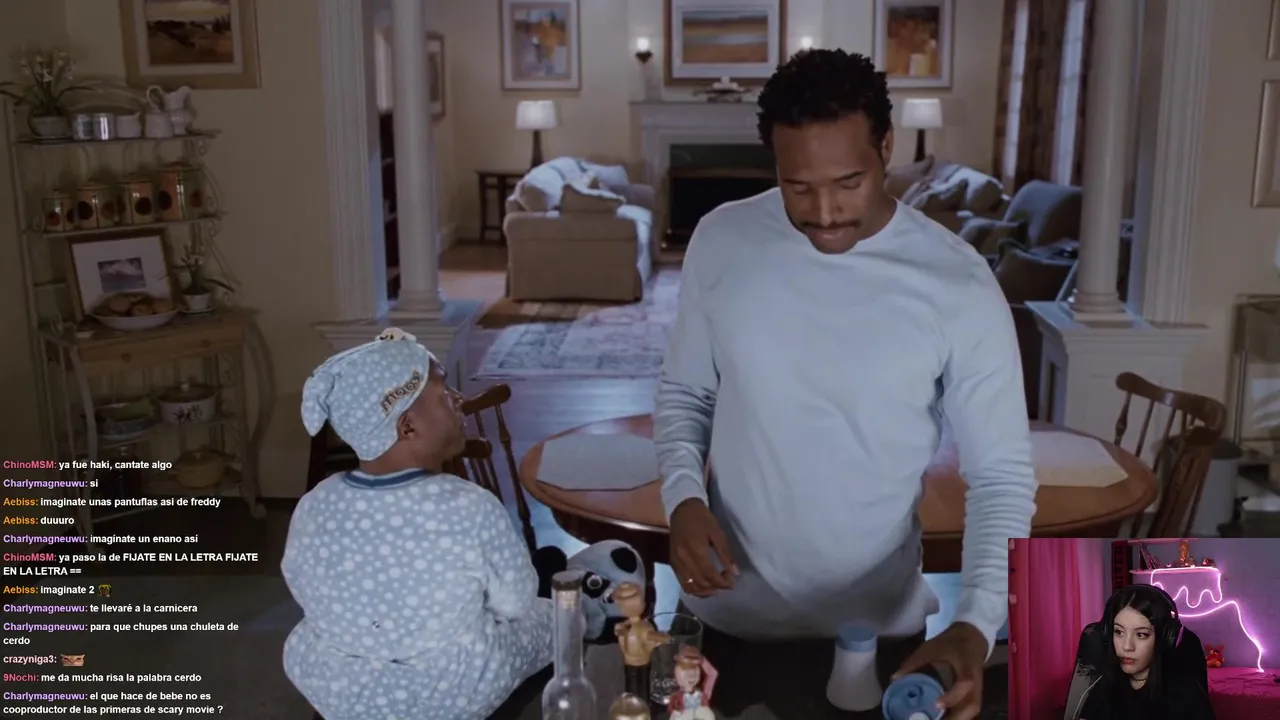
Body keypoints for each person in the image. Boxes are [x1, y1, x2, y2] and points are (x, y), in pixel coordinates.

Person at [655, 49, 1037, 719]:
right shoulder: (721, 239)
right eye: (798, 186)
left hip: (884, 643)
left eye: (848, 182)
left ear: (886, 147)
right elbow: (687, 394)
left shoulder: (958, 281)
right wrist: (682, 498)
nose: (825, 212)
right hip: (727, 627)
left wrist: (976, 624)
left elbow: (1001, 476)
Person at [281, 329, 552, 719]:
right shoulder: (470, 506)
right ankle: (591, 610)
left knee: (316, 632)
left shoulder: (314, 503)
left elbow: (303, 586)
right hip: (451, 690)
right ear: (407, 426)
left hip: (342, 690)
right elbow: (517, 602)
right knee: (550, 617)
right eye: (444, 392)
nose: (459, 399)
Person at [1075, 585, 1215, 720]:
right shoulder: (1103, 687)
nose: (1127, 646)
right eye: (1119, 632)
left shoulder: (1187, 695)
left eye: (1141, 634)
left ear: (1164, 638)